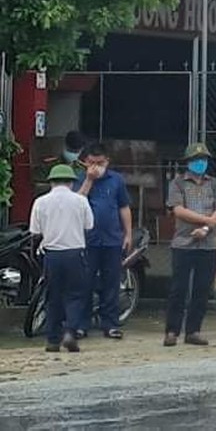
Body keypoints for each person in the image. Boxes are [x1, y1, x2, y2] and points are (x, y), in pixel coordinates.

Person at [164, 143, 216, 347]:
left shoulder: (214, 183)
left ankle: (193, 331)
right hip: (183, 243)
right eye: (196, 160)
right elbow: (178, 210)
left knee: (201, 289)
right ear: (188, 163)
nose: (201, 163)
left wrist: (207, 228)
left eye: (204, 160)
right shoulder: (178, 183)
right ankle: (172, 331)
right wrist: (205, 220)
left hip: (208, 243)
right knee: (178, 289)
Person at [29, 164, 94, 353]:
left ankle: (52, 340)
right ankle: (70, 332)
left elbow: (35, 232)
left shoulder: (40, 202)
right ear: (71, 183)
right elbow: (89, 225)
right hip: (75, 253)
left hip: (52, 255)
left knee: (53, 297)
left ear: (51, 182)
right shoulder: (80, 201)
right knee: (75, 295)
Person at [76, 142, 132, 340]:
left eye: (100, 163)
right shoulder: (80, 179)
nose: (96, 167)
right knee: (85, 283)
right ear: (84, 162)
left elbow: (123, 207)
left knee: (111, 283)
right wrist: (89, 180)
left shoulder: (116, 180)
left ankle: (110, 324)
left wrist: (128, 234)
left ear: (107, 161)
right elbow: (77, 202)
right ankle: (81, 325)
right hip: (87, 240)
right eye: (92, 162)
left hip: (112, 239)